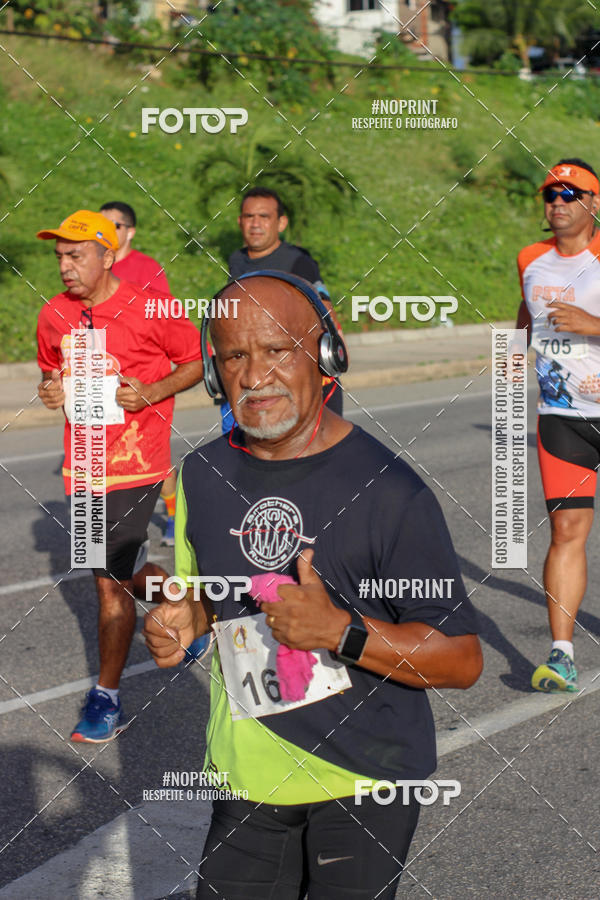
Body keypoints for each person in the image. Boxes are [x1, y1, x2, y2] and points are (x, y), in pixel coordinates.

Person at [144, 272, 482, 899]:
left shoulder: (390, 491)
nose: (255, 374)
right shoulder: (201, 475)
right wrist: (179, 620)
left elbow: (461, 659)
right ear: (215, 375)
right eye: (235, 356)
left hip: (363, 780)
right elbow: (198, 599)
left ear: (324, 355)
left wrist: (340, 633)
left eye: (276, 350)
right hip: (245, 778)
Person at [36, 209, 203, 742]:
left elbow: (197, 359)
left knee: (109, 589)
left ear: (108, 256)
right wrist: (49, 391)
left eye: (76, 255)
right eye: (60, 256)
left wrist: (151, 392)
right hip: (82, 466)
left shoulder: (149, 305)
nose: (65, 266)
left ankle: (105, 698)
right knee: (114, 572)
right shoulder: (53, 316)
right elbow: (49, 371)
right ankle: (188, 602)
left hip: (136, 464)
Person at [516, 158, 600, 693]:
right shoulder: (529, 259)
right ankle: (562, 654)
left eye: (571, 194)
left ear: (594, 203)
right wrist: (508, 364)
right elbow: (523, 318)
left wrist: (595, 325)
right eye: (551, 194)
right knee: (567, 532)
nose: (559, 203)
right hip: (562, 419)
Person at [221, 186, 343, 432]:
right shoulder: (237, 260)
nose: (255, 224)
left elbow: (326, 317)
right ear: (240, 221)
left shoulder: (298, 262)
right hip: (248, 377)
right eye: (249, 217)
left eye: (264, 217)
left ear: (281, 223)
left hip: (291, 378)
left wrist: (332, 358)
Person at [100, 200, 177, 546]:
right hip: (103, 381)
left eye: (114, 225)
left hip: (145, 381)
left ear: (130, 231)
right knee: (111, 459)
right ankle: (126, 528)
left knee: (152, 458)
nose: (105, 230)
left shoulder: (147, 269)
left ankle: (176, 518)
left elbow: (166, 320)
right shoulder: (92, 267)